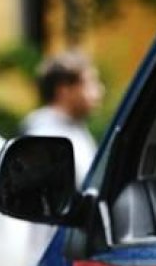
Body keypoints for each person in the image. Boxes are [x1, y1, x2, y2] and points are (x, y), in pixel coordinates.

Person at [21, 50, 105, 188]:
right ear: (64, 90)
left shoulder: (75, 127)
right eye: (89, 83)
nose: (99, 90)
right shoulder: (46, 136)